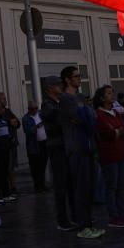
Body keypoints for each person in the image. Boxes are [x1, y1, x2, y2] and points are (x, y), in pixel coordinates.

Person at [60, 65, 103, 239]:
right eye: (76, 76)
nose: (79, 79)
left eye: (79, 76)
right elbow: (81, 118)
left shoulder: (79, 97)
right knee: (80, 188)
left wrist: (87, 115)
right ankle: (82, 225)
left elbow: (91, 116)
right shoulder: (66, 99)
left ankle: (88, 222)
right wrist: (86, 115)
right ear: (67, 80)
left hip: (88, 146)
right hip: (76, 148)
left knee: (89, 187)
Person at [93, 86, 124, 228]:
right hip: (109, 155)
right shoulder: (99, 115)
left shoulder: (115, 112)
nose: (112, 95)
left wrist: (118, 132)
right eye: (108, 93)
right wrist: (117, 132)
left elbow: (122, 129)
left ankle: (121, 212)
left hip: (120, 152)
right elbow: (108, 133)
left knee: (120, 186)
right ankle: (113, 215)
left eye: (112, 92)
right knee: (111, 186)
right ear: (102, 98)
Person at [40, 76, 74, 230]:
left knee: (70, 184)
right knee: (61, 185)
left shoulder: (58, 103)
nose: (61, 87)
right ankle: (62, 220)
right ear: (50, 88)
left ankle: (73, 216)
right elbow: (60, 117)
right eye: (58, 85)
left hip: (66, 145)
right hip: (57, 147)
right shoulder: (48, 105)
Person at [21, 100, 48, 192]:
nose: (34, 110)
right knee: (35, 166)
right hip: (34, 145)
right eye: (32, 109)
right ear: (29, 109)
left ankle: (43, 185)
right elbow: (28, 131)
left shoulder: (41, 114)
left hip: (44, 142)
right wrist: (37, 126)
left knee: (43, 165)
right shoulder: (26, 118)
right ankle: (37, 186)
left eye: (36, 108)